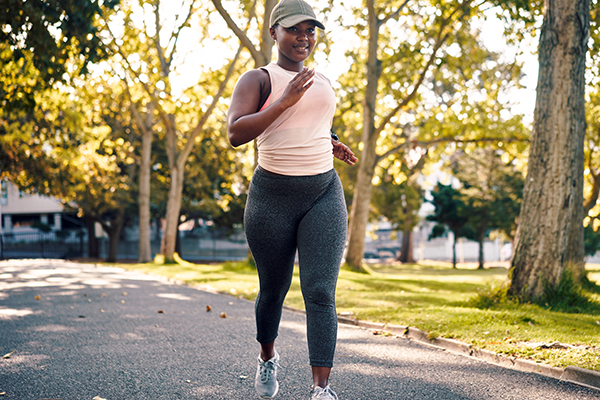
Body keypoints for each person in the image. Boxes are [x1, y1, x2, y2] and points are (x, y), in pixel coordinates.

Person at [227, 0, 357, 398]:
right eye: (294, 29)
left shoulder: (322, 80)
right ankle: (267, 358)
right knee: (274, 289)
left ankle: (321, 389)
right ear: (274, 33)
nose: (304, 37)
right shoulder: (257, 79)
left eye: (311, 30)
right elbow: (235, 133)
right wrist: (283, 102)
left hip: (322, 191)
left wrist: (330, 142)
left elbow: (315, 122)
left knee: (320, 290)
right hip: (272, 197)